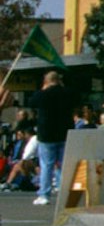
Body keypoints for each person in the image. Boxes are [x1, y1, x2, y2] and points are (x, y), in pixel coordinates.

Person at [29, 71, 75, 207]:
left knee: (47, 165)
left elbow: (31, 102)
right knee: (64, 164)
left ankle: (44, 194)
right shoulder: (68, 93)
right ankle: (63, 192)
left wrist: (43, 90)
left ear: (46, 81)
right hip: (65, 132)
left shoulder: (43, 94)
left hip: (47, 134)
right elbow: (77, 100)